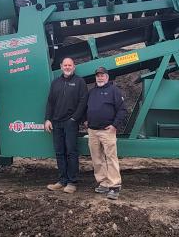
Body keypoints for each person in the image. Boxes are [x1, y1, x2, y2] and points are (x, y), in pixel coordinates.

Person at [44, 57, 88, 193]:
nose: (67, 67)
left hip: (70, 123)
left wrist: (74, 119)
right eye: (65, 65)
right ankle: (62, 180)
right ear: (61, 67)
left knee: (71, 152)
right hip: (56, 123)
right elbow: (50, 102)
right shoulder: (55, 83)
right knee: (59, 152)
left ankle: (72, 182)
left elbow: (83, 102)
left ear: (74, 67)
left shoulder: (80, 82)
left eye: (70, 65)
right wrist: (47, 119)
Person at [85, 66, 126, 200]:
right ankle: (103, 183)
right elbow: (86, 108)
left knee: (111, 158)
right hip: (93, 131)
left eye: (102, 75)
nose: (100, 77)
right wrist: (86, 120)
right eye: (98, 75)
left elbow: (122, 110)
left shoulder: (114, 90)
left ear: (107, 77)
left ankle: (114, 186)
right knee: (97, 159)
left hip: (107, 131)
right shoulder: (92, 92)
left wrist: (114, 125)